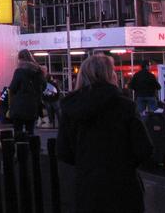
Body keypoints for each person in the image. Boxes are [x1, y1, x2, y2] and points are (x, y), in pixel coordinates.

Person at [57, 54, 153, 213]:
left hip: (87, 186)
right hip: (123, 185)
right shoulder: (125, 106)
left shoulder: (71, 108)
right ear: (111, 75)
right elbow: (144, 149)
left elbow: (63, 151)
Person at [8, 49, 46, 135]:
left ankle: (21, 147)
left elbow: (13, 88)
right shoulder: (38, 71)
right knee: (30, 132)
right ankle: (33, 147)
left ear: (20, 59)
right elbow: (44, 86)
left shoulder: (19, 71)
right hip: (33, 106)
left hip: (19, 107)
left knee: (18, 132)